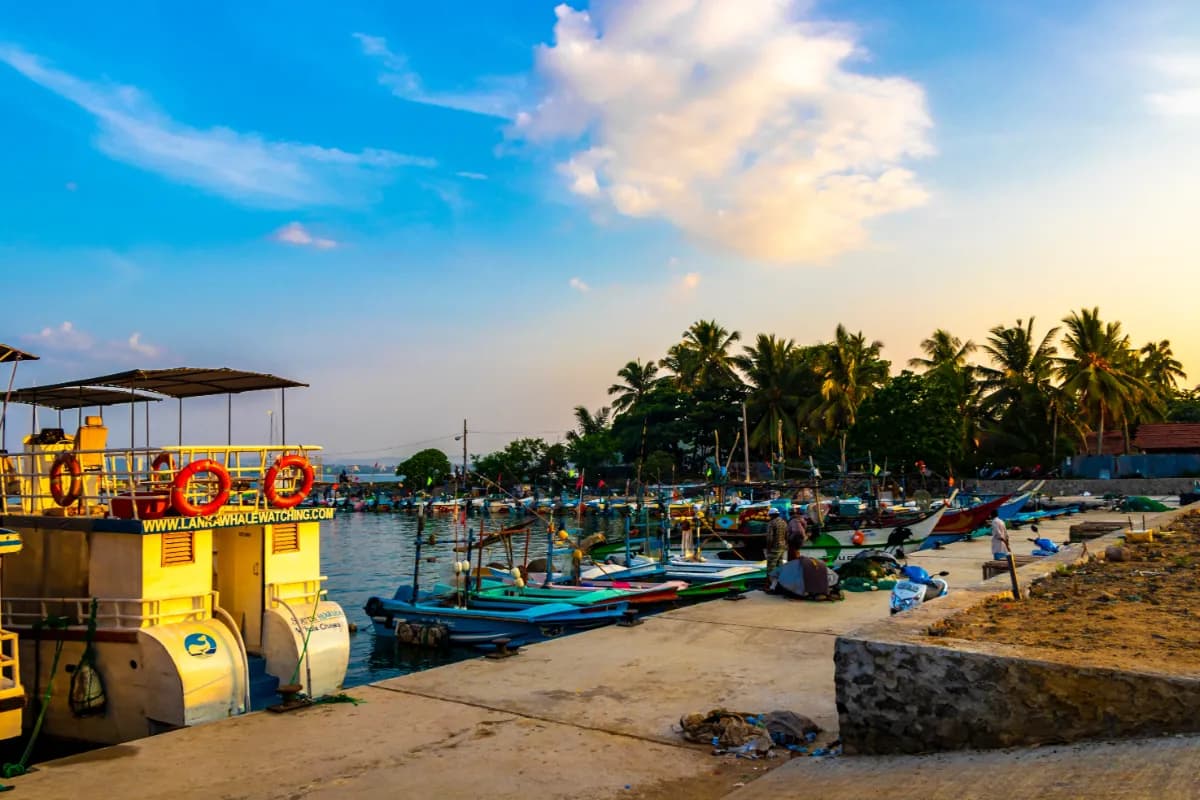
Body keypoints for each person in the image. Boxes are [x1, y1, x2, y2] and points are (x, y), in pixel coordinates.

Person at [765, 507, 788, 574]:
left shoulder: (771, 523)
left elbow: (770, 538)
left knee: (771, 566)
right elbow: (786, 535)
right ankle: (780, 581)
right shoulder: (783, 522)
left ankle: (770, 581)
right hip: (782, 546)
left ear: (771, 515)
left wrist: (768, 548)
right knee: (780, 564)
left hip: (774, 547)